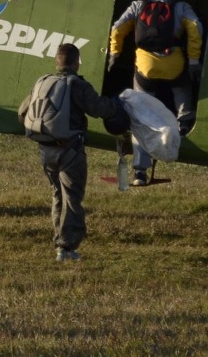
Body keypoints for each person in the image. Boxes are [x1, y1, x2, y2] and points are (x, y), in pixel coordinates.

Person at [19, 43, 129, 262]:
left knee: (57, 196)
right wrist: (119, 104)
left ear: (56, 61)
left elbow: (23, 113)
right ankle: (66, 248)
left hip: (46, 151)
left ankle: (60, 240)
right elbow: (100, 109)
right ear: (76, 62)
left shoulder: (43, 81)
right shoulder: (77, 85)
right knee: (72, 198)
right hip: (70, 151)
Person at [108, 0, 204, 185]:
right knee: (182, 90)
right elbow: (196, 28)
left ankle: (140, 172)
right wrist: (194, 61)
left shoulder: (136, 5)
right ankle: (183, 124)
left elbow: (117, 29)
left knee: (140, 118)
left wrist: (114, 54)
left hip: (145, 66)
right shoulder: (182, 7)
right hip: (174, 64)